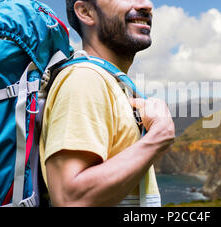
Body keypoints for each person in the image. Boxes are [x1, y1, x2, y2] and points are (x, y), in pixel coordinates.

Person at [38, 0, 175, 207]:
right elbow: (69, 199)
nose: (146, 5)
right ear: (86, 12)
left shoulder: (111, 82)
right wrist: (158, 137)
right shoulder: (85, 79)